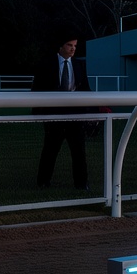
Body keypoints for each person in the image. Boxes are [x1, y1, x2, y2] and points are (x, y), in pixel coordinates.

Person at [32, 34, 91, 190]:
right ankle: (43, 182)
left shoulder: (79, 65)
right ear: (60, 47)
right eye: (69, 45)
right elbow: (36, 89)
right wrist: (39, 113)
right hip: (54, 115)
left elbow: (86, 89)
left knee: (79, 151)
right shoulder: (46, 64)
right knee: (50, 150)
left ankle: (82, 184)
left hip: (75, 115)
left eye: (75, 46)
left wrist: (93, 112)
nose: (73, 49)